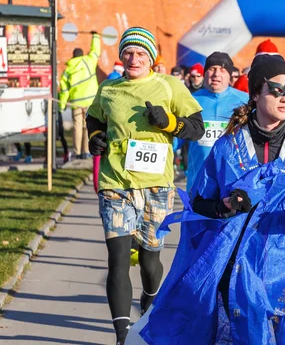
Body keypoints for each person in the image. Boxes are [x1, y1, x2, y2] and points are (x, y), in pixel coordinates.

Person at [126, 54, 285, 345]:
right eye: (276, 89)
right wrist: (223, 207)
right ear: (255, 94)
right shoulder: (228, 146)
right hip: (239, 268)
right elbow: (199, 202)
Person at [86, 27, 204, 345]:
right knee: (119, 259)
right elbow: (94, 119)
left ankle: (150, 302)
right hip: (115, 185)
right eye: (128, 52)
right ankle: (123, 336)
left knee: (151, 260)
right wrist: (95, 139)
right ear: (121, 55)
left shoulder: (169, 86)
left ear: (151, 58)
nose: (133, 58)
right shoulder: (109, 89)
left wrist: (167, 122)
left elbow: (197, 128)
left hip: (157, 187)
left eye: (141, 53)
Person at [184, 52, 248, 193]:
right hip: (198, 185)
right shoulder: (189, 100)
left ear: (230, 75)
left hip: (233, 186)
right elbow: (176, 140)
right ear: (205, 73)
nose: (216, 74)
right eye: (212, 69)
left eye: (223, 70)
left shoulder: (245, 101)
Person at [59, 32, 101, 159]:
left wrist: (62, 105)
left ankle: (77, 152)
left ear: (73, 56)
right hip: (90, 101)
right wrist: (95, 37)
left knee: (77, 127)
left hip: (76, 102)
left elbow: (64, 89)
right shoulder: (89, 61)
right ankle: (87, 151)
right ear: (82, 55)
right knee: (87, 126)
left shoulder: (68, 69)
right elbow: (95, 50)